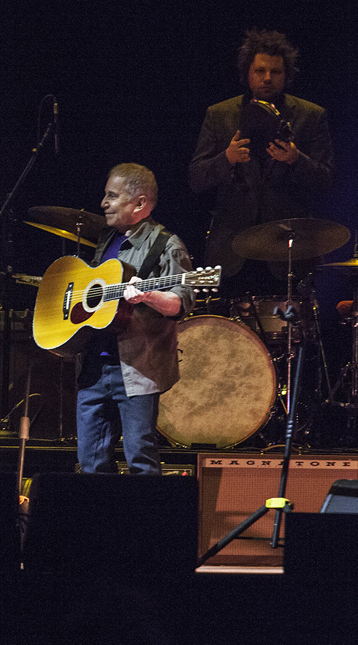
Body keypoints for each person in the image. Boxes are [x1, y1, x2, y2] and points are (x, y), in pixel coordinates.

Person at [189, 29, 334, 296]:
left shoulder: (311, 115)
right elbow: (196, 178)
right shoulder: (219, 114)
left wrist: (295, 159)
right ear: (247, 73)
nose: (267, 78)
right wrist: (227, 158)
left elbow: (326, 180)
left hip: (285, 254)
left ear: (286, 75)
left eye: (275, 72)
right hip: (231, 251)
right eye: (260, 70)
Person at [76, 164, 195, 475]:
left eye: (112, 196)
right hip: (94, 366)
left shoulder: (166, 245)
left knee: (140, 458)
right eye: (105, 195)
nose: (103, 203)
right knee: (90, 461)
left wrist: (147, 296)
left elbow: (181, 302)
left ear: (140, 203)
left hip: (136, 366)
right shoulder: (106, 239)